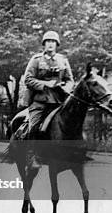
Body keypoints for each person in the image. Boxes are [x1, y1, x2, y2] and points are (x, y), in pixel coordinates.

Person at [23, 30, 74, 169]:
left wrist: (66, 89)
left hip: (59, 101)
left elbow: (70, 80)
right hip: (40, 101)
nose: (50, 44)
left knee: (72, 123)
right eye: (47, 42)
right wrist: (45, 84)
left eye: (53, 42)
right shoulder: (36, 60)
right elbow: (28, 79)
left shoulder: (63, 60)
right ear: (44, 44)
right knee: (33, 125)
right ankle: (31, 156)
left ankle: (74, 153)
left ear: (57, 44)